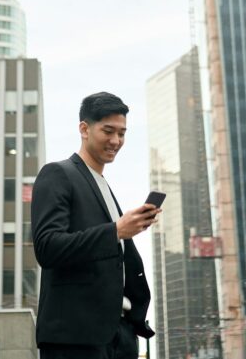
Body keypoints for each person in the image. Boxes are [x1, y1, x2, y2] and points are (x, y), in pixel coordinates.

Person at [31, 92, 159, 359]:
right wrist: (116, 231)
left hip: (119, 336)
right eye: (108, 131)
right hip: (75, 338)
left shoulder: (105, 188)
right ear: (84, 129)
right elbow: (47, 247)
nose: (116, 141)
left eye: (122, 133)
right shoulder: (57, 174)